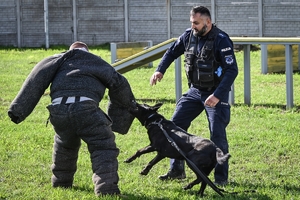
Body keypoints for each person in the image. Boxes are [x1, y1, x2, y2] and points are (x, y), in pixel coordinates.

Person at [8, 41, 136, 196]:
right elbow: (119, 83)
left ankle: (61, 183)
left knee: (64, 145)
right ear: (87, 51)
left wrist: (17, 110)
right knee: (103, 146)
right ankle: (106, 189)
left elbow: (35, 79)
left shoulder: (56, 60)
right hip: (86, 108)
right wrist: (119, 121)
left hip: (58, 110)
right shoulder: (96, 60)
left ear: (69, 50)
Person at [150, 6, 238, 185]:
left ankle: (221, 179)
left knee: (217, 136)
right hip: (195, 91)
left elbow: (232, 70)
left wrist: (218, 95)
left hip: (215, 93)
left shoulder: (221, 40)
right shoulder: (189, 35)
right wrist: (160, 70)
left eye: (196, 23)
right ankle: (176, 170)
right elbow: (171, 52)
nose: (193, 26)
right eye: (191, 23)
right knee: (174, 127)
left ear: (208, 22)